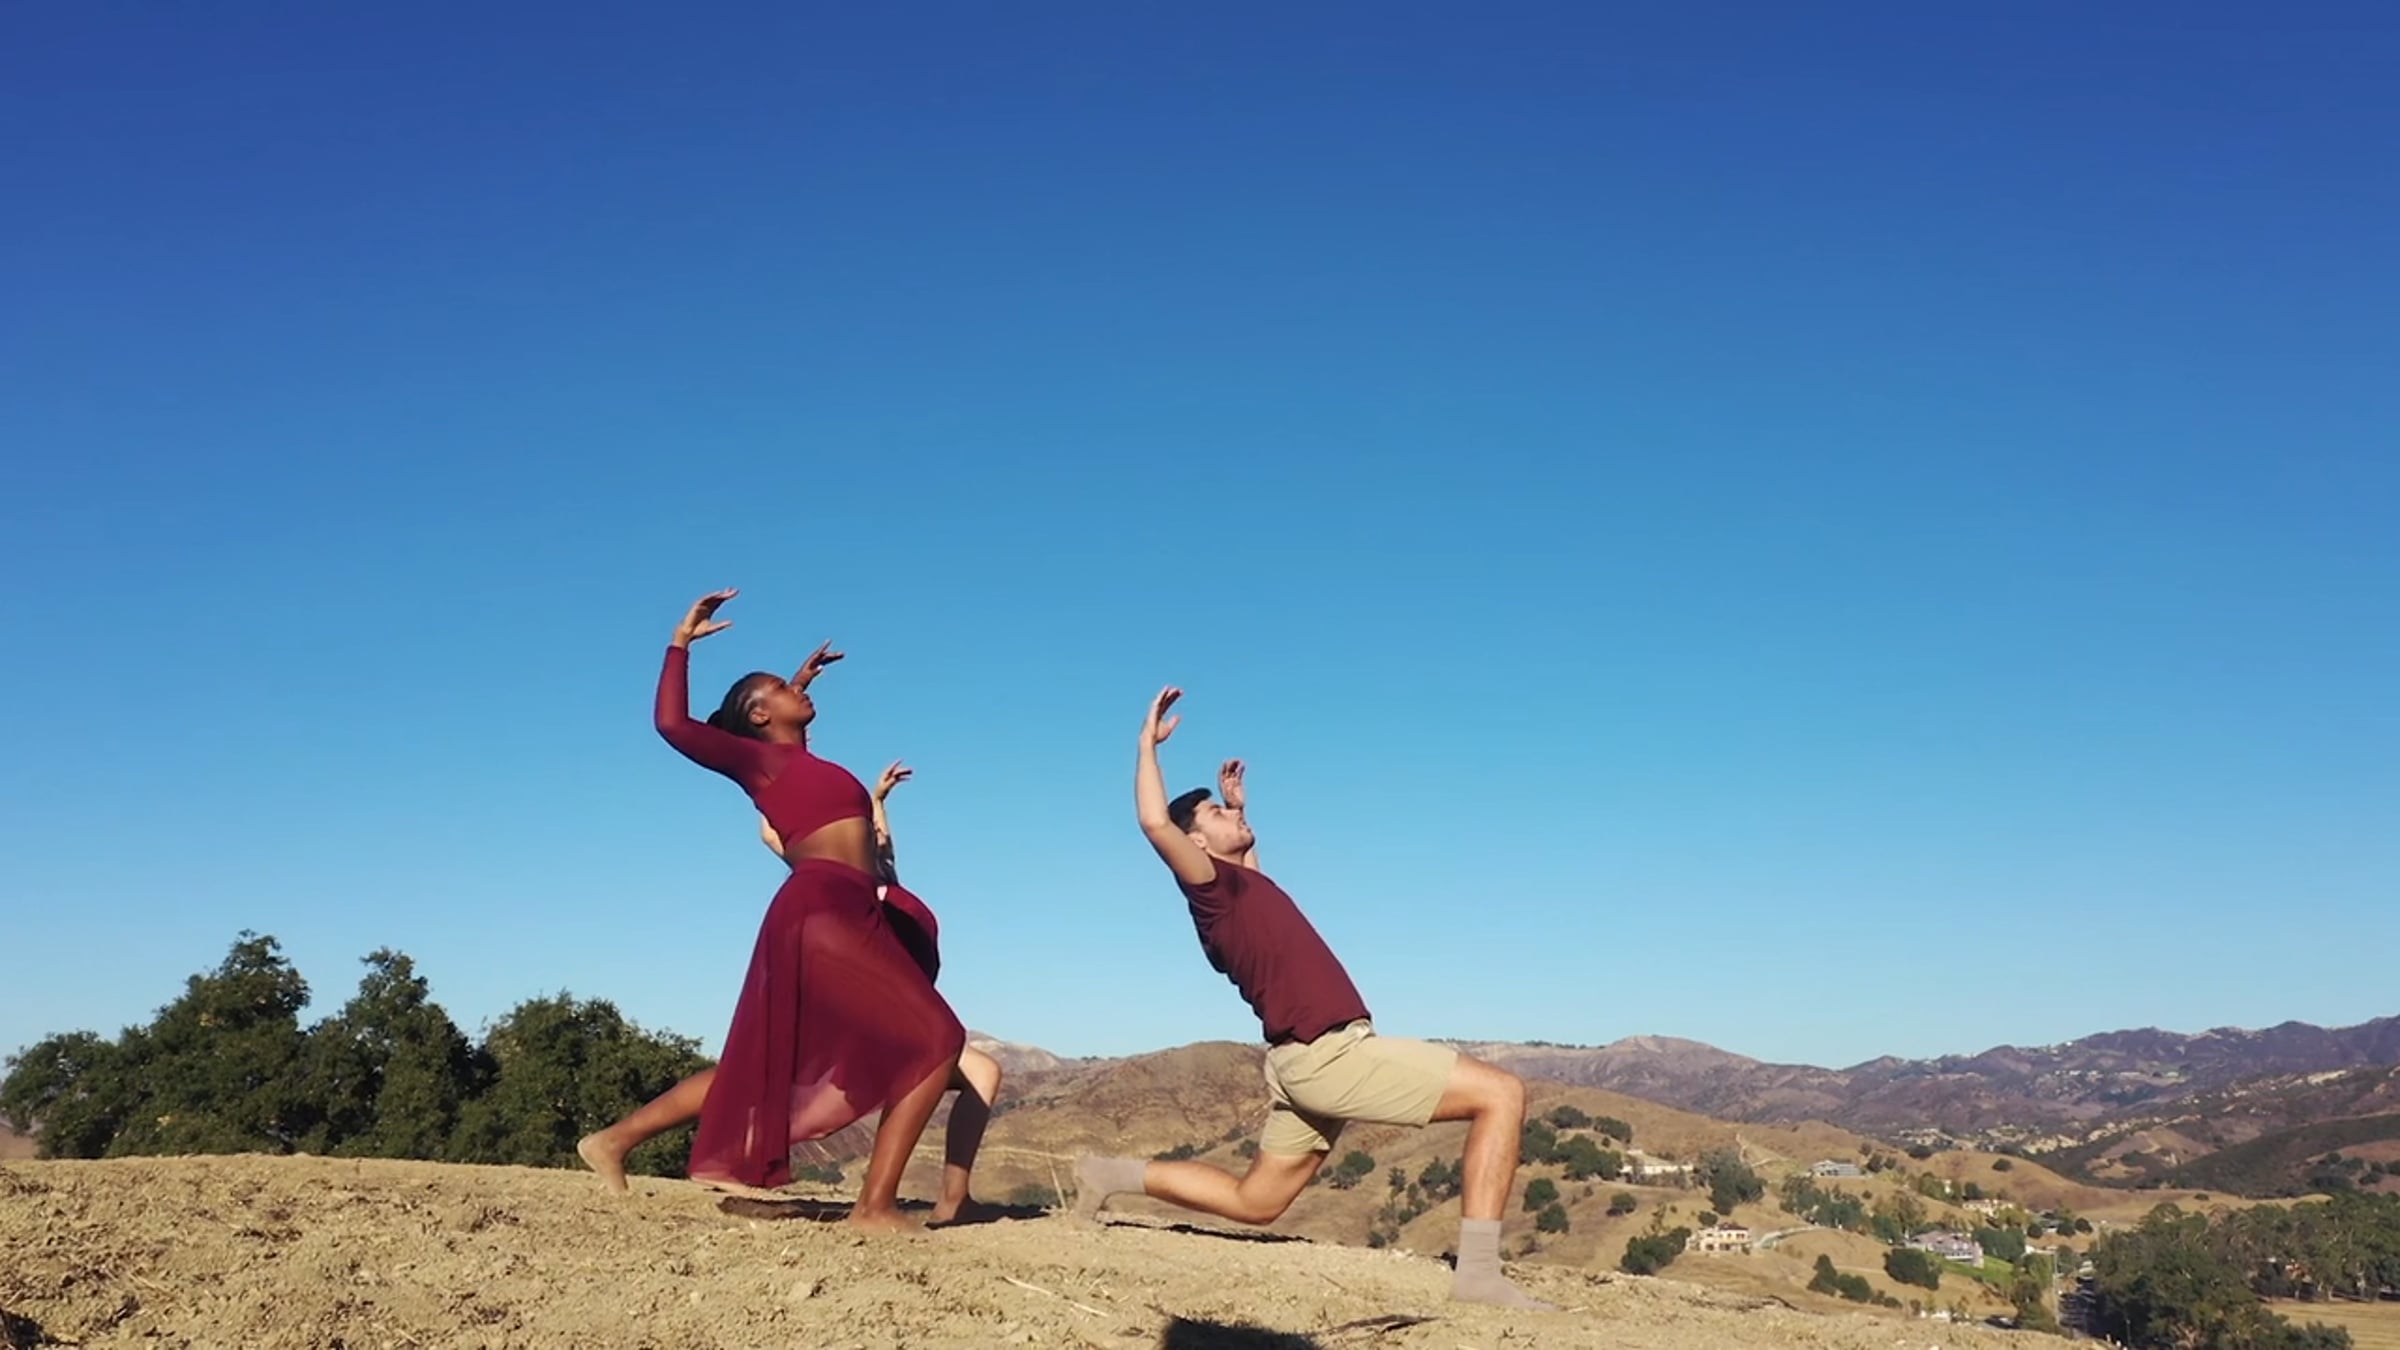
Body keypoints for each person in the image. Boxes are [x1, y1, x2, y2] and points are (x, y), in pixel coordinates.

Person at [1071, 687, 1552, 1309]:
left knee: (1257, 1202)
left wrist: (1240, 810)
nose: (1230, 816)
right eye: (1215, 813)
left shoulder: (1243, 889)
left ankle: (1107, 1174)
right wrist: (1146, 746)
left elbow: (1253, 870)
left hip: (1304, 1061)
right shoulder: (1211, 891)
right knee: (1501, 1094)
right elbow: (1155, 823)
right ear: (1197, 846)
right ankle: (1479, 1275)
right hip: (1329, 1056)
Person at [575, 589, 962, 1233]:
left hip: (853, 910)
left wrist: (799, 683)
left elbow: (787, 732)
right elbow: (673, 725)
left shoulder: (796, 759)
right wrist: (680, 641)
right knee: (938, 1038)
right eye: (780, 688)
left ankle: (613, 1140)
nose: (795, 689)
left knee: (772, 1066)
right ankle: (874, 1208)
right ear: (758, 715)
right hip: (820, 908)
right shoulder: (757, 762)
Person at [757, 760, 1006, 1223]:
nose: (874, 832)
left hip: (904, 1023)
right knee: (761, 1087)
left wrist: (878, 799)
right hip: (873, 1025)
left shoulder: (886, 878)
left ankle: (954, 1198)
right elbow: (774, 834)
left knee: (983, 1072)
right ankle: (629, 1137)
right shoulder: (844, 887)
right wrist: (775, 774)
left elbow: (883, 840)